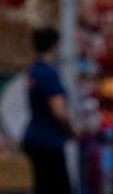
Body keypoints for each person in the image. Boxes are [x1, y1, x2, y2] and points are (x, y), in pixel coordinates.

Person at [23, 27, 73, 194]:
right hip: (48, 141)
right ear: (54, 45)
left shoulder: (34, 71)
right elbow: (59, 111)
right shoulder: (48, 74)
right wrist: (72, 130)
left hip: (36, 137)